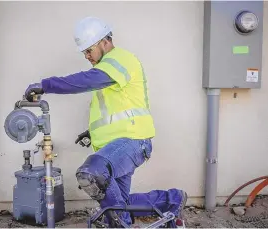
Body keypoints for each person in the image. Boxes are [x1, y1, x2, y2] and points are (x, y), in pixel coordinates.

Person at [24, 16, 187, 227]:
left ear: (104, 42)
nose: (87, 56)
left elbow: (86, 81)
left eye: (89, 50)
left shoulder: (119, 60)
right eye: (84, 53)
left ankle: (122, 225)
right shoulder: (109, 69)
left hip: (132, 142)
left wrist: (46, 85)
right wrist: (91, 132)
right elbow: (116, 110)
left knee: (91, 173)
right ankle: (172, 200)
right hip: (118, 146)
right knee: (120, 204)